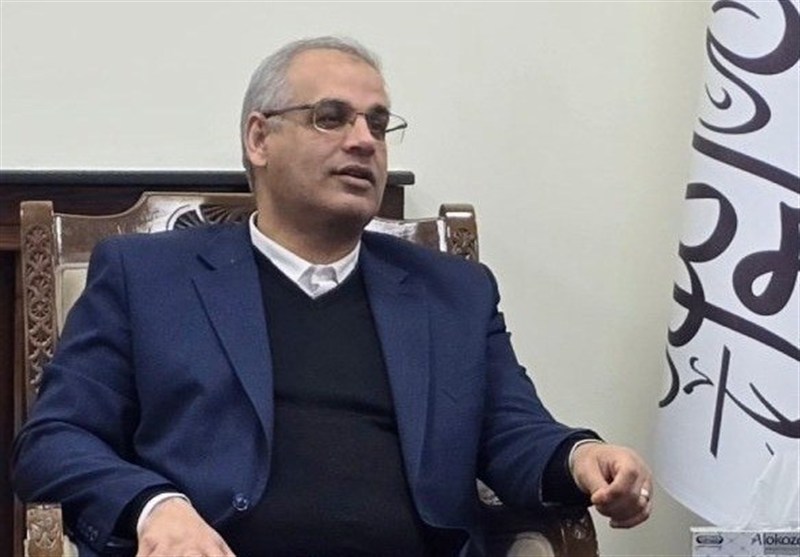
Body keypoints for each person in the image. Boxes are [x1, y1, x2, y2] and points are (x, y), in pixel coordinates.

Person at [12, 36, 652, 557]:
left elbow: (511, 433)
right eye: (331, 117)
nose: (364, 140)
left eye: (378, 123)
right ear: (259, 139)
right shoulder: (148, 277)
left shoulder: (452, 291)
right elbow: (56, 439)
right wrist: (157, 508)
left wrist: (582, 456)